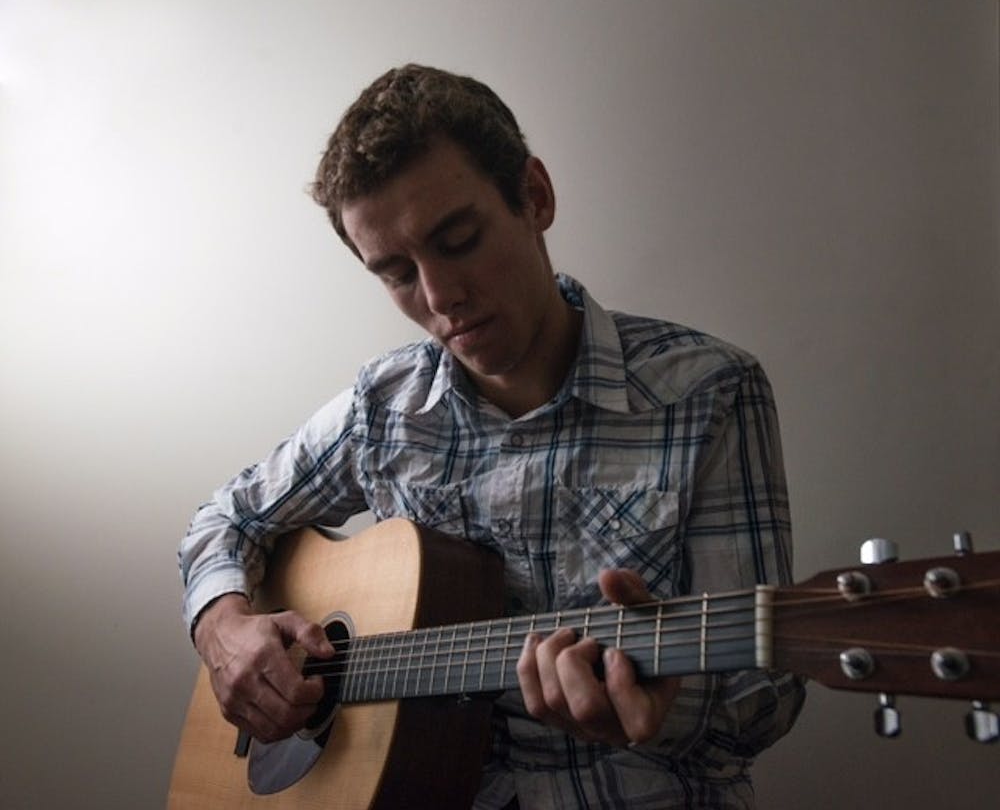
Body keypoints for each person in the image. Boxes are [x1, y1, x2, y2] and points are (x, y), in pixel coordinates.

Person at [179, 63, 805, 809]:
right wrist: (224, 629)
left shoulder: (708, 392)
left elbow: (764, 700)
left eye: (458, 239)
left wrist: (662, 712)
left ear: (534, 197)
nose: (440, 298)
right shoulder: (383, 407)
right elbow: (225, 520)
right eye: (397, 273)